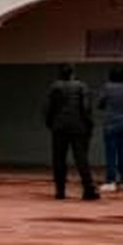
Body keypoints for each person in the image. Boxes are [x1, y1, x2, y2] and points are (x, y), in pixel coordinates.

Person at [44, 64, 100, 200]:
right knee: (81, 158)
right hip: (78, 126)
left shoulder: (54, 87)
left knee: (58, 159)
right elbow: (86, 108)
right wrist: (89, 124)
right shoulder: (81, 87)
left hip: (59, 127)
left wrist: (51, 124)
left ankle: (60, 191)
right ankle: (88, 189)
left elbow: (48, 109)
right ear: (72, 73)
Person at [98, 67, 123, 193]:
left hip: (111, 125)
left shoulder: (107, 87)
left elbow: (100, 104)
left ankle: (111, 181)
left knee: (111, 154)